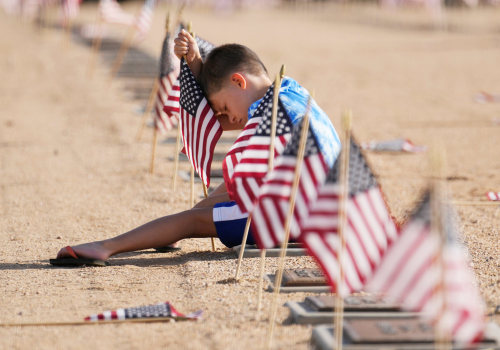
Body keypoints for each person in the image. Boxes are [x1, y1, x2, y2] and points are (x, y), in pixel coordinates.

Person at [53, 30, 341, 265]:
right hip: (324, 203)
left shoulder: (273, 115)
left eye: (224, 108)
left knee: (191, 220)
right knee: (211, 200)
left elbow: (229, 106)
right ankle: (166, 235)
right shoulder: (288, 91)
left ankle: (106, 247)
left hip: (295, 214)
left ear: (239, 81)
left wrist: (199, 67)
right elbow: (227, 82)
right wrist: (196, 64)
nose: (226, 119)